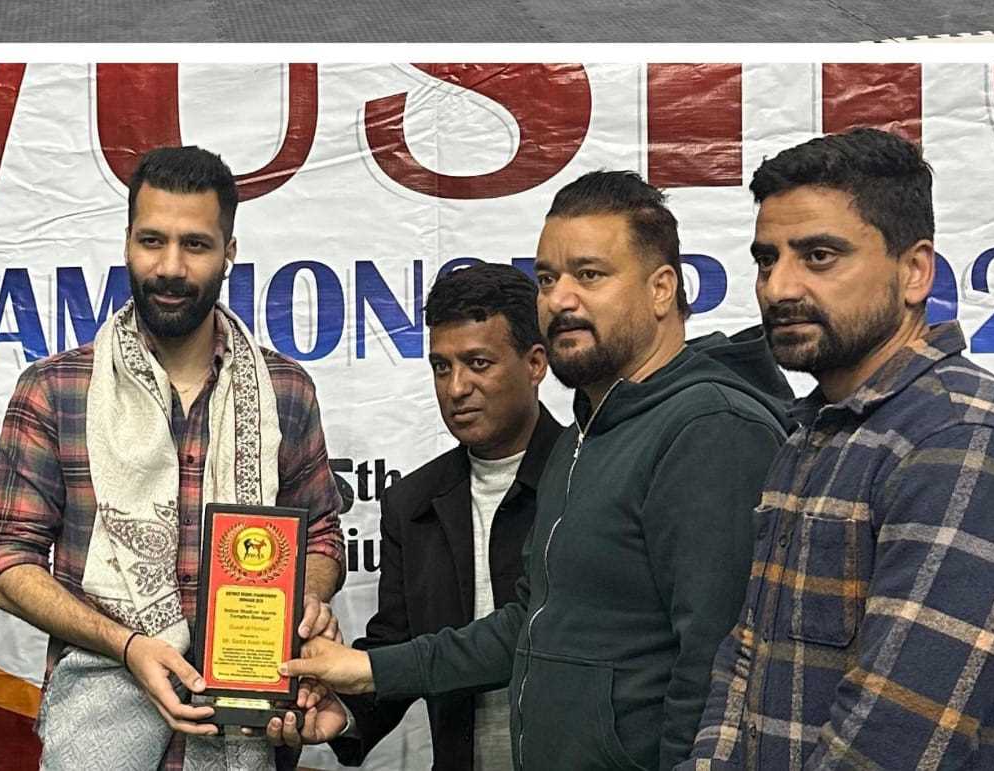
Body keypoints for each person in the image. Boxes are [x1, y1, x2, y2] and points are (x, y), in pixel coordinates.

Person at [282, 171, 793, 771]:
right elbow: (530, 626)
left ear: (661, 289)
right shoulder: (587, 436)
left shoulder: (711, 427)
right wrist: (366, 670)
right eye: (548, 279)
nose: (560, 299)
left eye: (589, 274)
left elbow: (720, 670)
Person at [683, 129, 994, 771]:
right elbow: (745, 663)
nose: (778, 288)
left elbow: (892, 739)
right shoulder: (815, 433)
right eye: (766, 260)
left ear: (914, 272)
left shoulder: (965, 441)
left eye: (818, 256)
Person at [0, 145, 345, 769]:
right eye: (152, 241)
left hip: (250, 720)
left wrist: (301, 604)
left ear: (229, 252)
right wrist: (126, 645)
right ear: (127, 243)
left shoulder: (285, 390)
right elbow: (4, 560)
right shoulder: (55, 389)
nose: (170, 267)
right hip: (97, 718)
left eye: (196, 245)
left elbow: (322, 537)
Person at [326, 263, 564, 771]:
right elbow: (396, 648)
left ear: (535, 363)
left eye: (478, 363)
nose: (456, 388)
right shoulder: (411, 503)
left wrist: (369, 668)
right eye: (441, 366)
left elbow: (540, 635)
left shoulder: (585, 477)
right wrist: (340, 716)